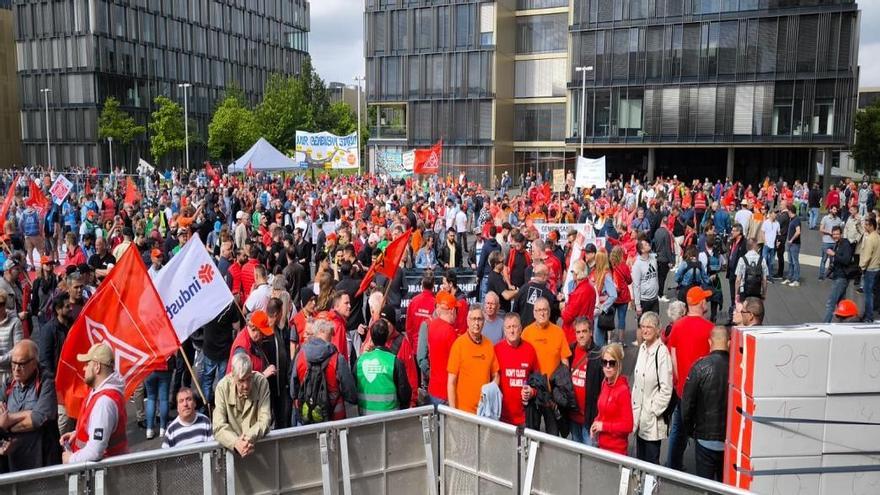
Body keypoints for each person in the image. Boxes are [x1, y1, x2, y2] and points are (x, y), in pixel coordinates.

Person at [665, 287, 713, 471]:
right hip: (702, 393)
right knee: (703, 433)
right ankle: (703, 472)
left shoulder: (677, 326)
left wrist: (679, 382)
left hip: (682, 390)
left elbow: (673, 358)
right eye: (705, 300)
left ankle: (673, 465)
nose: (706, 302)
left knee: (678, 430)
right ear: (701, 303)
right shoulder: (710, 329)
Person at [60, 343, 128, 463]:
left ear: (97, 367)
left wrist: (71, 459)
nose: (84, 368)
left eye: (87, 364)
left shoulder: (104, 402)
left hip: (105, 477)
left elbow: (95, 451)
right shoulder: (99, 392)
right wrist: (77, 433)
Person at [0, 340, 60, 471]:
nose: (16, 369)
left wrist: (8, 422)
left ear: (34, 363)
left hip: (40, 459)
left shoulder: (46, 382)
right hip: (13, 461)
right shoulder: (9, 383)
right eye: (13, 363)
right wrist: (27, 414)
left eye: (21, 364)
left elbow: (39, 418)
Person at [681, 326, 730, 482]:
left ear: (710, 342)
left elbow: (687, 404)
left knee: (705, 485)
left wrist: (690, 430)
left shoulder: (700, 367)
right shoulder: (737, 367)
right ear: (728, 343)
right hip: (729, 440)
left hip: (704, 437)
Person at [292, 317, 357, 424]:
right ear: (329, 334)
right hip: (335, 419)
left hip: (308, 416)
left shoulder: (301, 355)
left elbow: (293, 390)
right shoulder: (337, 359)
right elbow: (350, 393)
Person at [630, 312, 673, 464]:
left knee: (651, 463)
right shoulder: (642, 348)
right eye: (643, 327)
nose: (645, 330)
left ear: (657, 330)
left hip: (652, 420)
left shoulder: (662, 353)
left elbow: (666, 388)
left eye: (649, 327)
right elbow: (637, 383)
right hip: (639, 417)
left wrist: (653, 410)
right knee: (639, 461)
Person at [213, 353, 271, 457]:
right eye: (241, 380)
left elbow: (265, 419)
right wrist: (236, 442)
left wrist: (247, 438)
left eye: (249, 378)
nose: (246, 385)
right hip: (231, 453)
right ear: (233, 376)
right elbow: (218, 426)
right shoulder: (222, 387)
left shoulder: (261, 382)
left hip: (257, 449)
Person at [447, 307, 499, 414]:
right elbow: (451, 382)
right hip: (463, 412)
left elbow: (496, 375)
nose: (477, 323)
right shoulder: (459, 345)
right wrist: (453, 412)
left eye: (479, 319)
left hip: (485, 411)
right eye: (473, 319)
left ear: (484, 322)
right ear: (468, 321)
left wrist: (491, 392)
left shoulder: (489, 345)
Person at [354, 319, 412, 415]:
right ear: (386, 337)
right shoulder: (394, 361)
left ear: (371, 337)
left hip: (365, 419)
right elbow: (405, 394)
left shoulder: (359, 361)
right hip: (390, 418)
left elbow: (352, 390)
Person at [494, 313, 539, 427]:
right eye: (508, 327)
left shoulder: (530, 350)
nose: (512, 331)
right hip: (500, 417)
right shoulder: (496, 350)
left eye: (515, 326)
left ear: (520, 329)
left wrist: (532, 392)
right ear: (504, 331)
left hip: (524, 418)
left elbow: (538, 382)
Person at [589, 343, 632, 456]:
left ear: (618, 364)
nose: (607, 366)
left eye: (611, 363)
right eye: (604, 362)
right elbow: (602, 412)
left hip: (617, 452)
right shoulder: (605, 383)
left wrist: (603, 426)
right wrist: (596, 422)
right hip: (601, 446)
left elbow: (628, 425)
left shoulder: (623, 391)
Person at [567, 317, 603, 446]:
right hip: (573, 417)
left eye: (584, 331)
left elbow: (603, 389)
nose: (581, 335)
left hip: (590, 419)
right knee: (576, 454)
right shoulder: (569, 351)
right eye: (578, 332)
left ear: (591, 332)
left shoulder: (599, 354)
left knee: (590, 459)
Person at [419, 291, 459, 406]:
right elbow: (456, 363)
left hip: (433, 388)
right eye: (457, 310)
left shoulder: (432, 325)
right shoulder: (450, 332)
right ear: (452, 311)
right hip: (445, 392)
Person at [226, 310, 274, 375]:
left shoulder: (253, 338)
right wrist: (264, 374)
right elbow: (241, 377)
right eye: (262, 334)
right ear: (254, 329)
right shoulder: (242, 347)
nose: (263, 337)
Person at [823, 225, 855, 323]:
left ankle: (825, 324)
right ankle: (843, 323)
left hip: (841, 278)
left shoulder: (845, 244)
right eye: (834, 234)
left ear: (841, 234)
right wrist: (830, 271)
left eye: (837, 234)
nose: (835, 236)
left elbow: (846, 260)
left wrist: (834, 254)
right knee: (841, 302)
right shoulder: (837, 244)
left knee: (831, 302)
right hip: (838, 276)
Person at [561, 260, 597, 345]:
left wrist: (562, 307)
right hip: (587, 329)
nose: (572, 273)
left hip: (574, 333)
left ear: (576, 273)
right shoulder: (590, 288)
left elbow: (567, 316)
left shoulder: (579, 292)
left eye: (572, 271)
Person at [144, 355, 173, 440]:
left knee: (151, 398)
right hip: (164, 365)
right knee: (164, 399)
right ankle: (163, 428)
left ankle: (149, 429)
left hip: (148, 366)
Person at [860, 216, 880, 322]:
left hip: (870, 269)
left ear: (871, 226)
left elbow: (867, 256)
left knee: (868, 294)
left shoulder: (870, 239)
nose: (865, 226)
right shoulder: (878, 236)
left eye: (867, 224)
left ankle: (869, 316)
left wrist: (862, 266)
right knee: (875, 292)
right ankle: (870, 313)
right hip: (877, 268)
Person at [782, 205, 802, 287]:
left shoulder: (796, 219)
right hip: (790, 243)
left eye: (788, 211)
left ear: (790, 211)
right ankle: (790, 277)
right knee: (790, 261)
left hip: (795, 244)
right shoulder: (792, 219)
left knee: (795, 262)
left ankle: (796, 279)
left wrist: (791, 240)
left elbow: (798, 232)